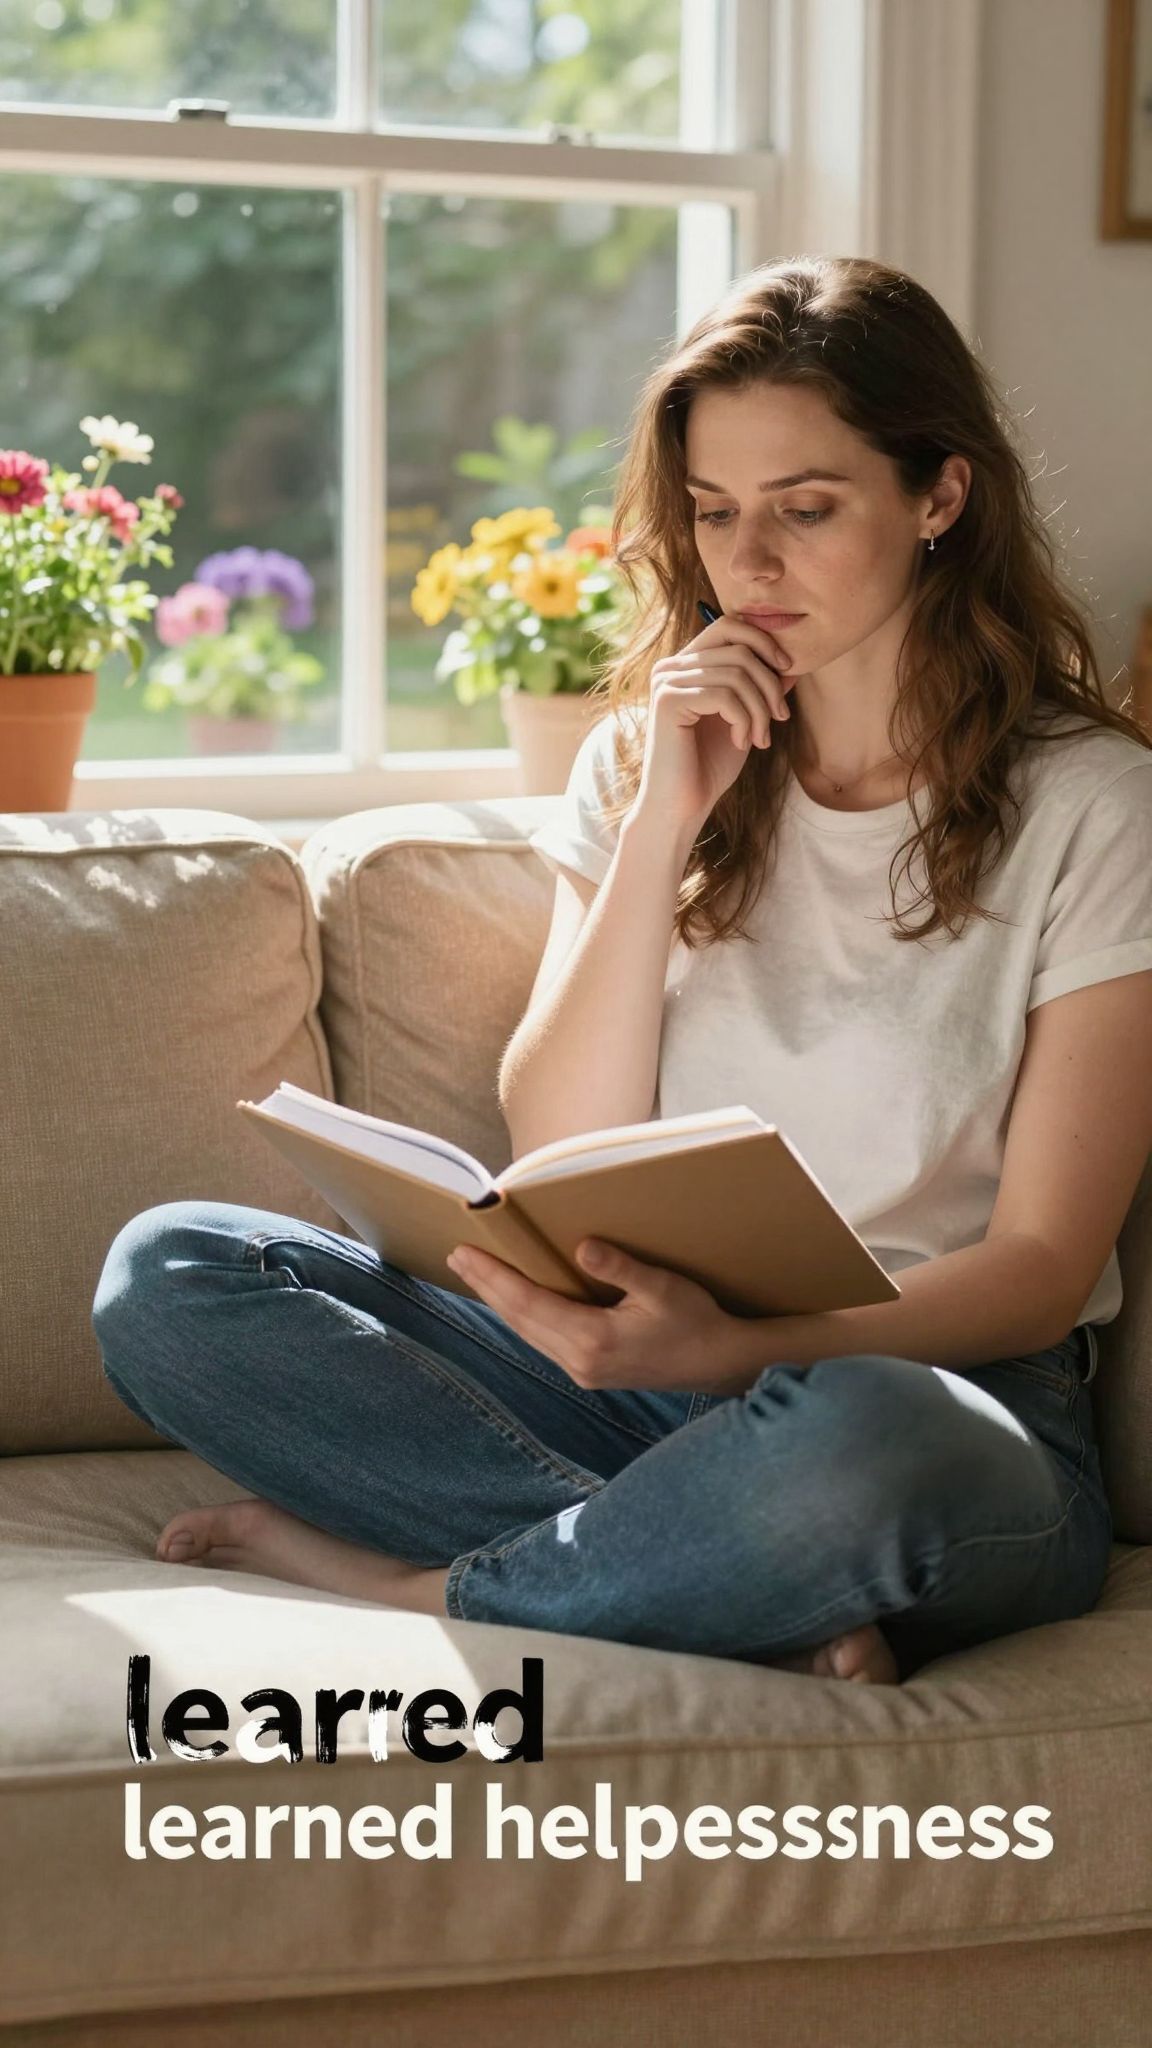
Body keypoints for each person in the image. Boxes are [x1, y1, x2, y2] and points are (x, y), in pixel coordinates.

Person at [92, 255, 1152, 1686]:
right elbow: (562, 1143)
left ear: (940, 497)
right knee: (170, 1272)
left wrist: (733, 1351)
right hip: (635, 1379)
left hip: (936, 1403)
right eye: (714, 512)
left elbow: (1039, 1272)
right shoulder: (646, 763)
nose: (748, 564)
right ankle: (712, 1571)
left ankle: (431, 1588)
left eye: (806, 509)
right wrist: (665, 823)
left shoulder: (1097, 806)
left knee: (870, 1442)